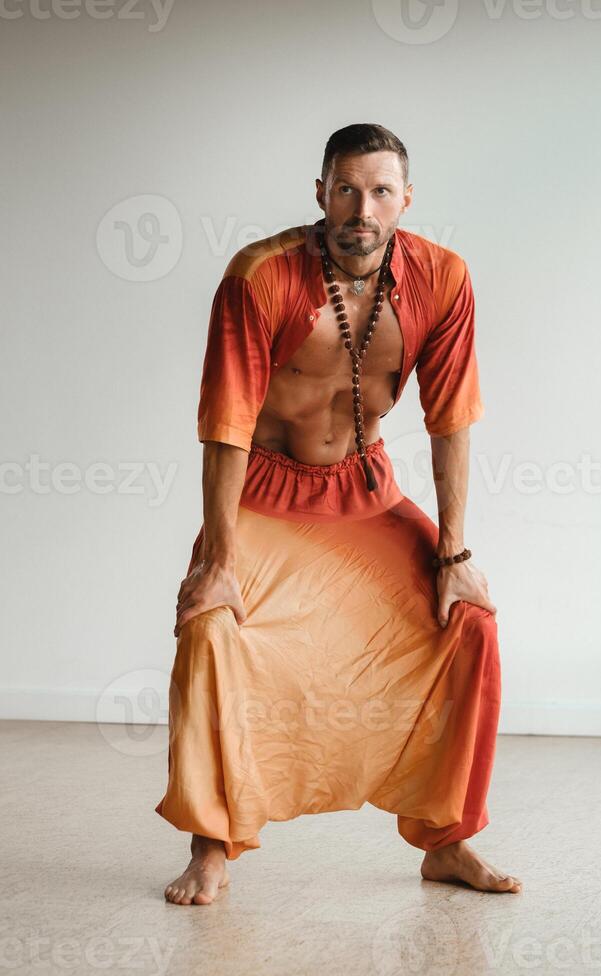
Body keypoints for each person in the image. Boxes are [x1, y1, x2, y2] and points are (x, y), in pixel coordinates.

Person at [155, 123, 522, 905]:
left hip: (364, 490)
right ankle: (212, 843)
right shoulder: (260, 275)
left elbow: (451, 419)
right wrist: (217, 559)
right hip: (264, 492)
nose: (363, 207)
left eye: (381, 191)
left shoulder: (443, 278)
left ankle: (449, 841)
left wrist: (454, 557)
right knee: (213, 629)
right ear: (320, 192)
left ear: (407, 200)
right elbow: (225, 420)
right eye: (347, 188)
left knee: (471, 623)